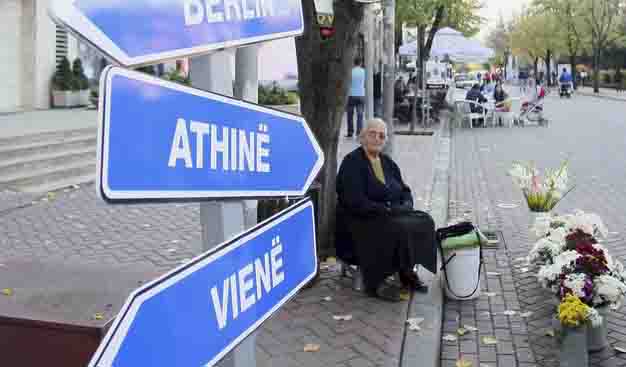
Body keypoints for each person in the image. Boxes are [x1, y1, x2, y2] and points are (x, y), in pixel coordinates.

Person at [335, 118, 437, 302]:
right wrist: (386, 209)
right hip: (360, 219)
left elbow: (404, 190)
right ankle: (376, 281)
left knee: (424, 221)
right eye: (372, 134)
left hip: (391, 214)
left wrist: (406, 204)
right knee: (396, 228)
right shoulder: (352, 162)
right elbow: (354, 200)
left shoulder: (387, 162)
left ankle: (407, 271)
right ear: (362, 137)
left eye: (381, 136)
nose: (377, 138)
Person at [346, 58, 365, 138]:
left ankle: (350, 132)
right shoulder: (364, 71)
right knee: (360, 115)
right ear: (360, 63)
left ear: (354, 63)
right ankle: (359, 132)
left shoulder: (350, 71)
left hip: (351, 95)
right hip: (361, 95)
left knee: (350, 114)